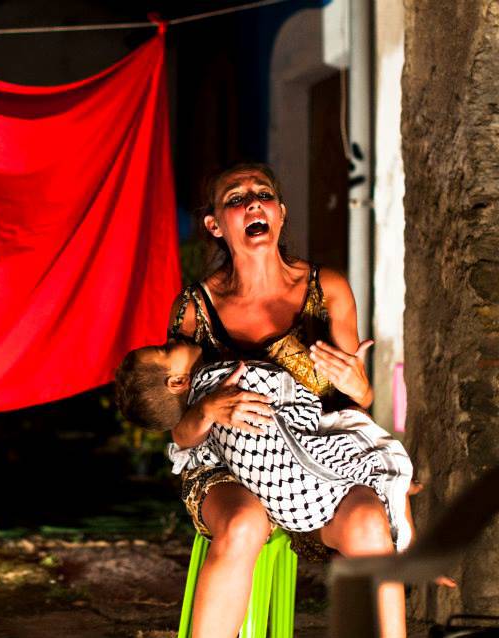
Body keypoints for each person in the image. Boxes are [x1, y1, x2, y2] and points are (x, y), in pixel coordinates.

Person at [161, 162, 405, 638]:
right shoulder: (193, 309)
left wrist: (360, 387)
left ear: (280, 212)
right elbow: (179, 432)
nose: (254, 202)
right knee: (243, 525)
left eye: (263, 194)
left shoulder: (326, 289)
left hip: (314, 465)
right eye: (236, 199)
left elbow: (353, 409)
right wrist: (208, 409)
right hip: (227, 469)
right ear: (214, 224)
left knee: (370, 526)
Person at [114, 340, 414, 551]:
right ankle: (402, 521)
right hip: (308, 491)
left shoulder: (204, 402)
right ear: (177, 382)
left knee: (364, 456)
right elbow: (285, 396)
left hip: (288, 508)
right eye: (166, 350)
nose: (172, 342)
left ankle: (394, 500)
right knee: (374, 450)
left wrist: (358, 390)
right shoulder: (217, 378)